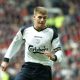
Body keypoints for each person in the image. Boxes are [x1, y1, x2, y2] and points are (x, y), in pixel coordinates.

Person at [0, 6, 64, 80]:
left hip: (44, 69)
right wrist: (6, 60)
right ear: (34, 17)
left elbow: (59, 52)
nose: (42, 20)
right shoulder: (25, 30)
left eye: (44, 18)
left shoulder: (52, 33)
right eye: (40, 17)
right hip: (28, 67)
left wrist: (54, 57)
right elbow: (14, 45)